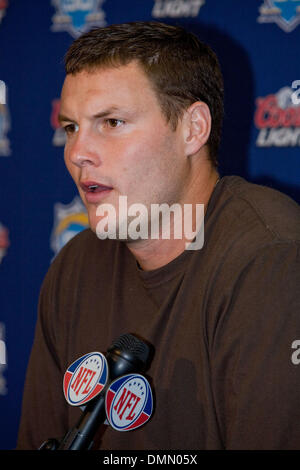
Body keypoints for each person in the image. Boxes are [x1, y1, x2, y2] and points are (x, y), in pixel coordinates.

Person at [17, 21, 300, 450]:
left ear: (193, 129)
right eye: (72, 127)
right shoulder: (76, 265)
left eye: (111, 122)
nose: (77, 153)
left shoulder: (268, 259)